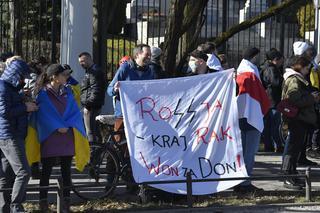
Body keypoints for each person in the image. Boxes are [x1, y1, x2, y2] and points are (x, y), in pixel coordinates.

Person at [27, 64, 90, 212]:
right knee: (46, 171)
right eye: (63, 75)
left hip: (67, 134)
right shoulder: (42, 93)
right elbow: (42, 115)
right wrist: (57, 126)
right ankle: (43, 203)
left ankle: (65, 204)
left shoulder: (67, 91)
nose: (66, 77)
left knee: (66, 171)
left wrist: (67, 125)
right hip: (50, 136)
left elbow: (74, 110)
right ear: (54, 77)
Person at [107, 44, 156, 192]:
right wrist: (115, 89)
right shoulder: (125, 68)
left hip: (142, 116)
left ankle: (132, 186)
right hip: (123, 115)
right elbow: (109, 90)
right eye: (146, 54)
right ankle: (109, 186)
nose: (149, 57)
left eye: (149, 55)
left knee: (138, 151)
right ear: (137, 55)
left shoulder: (151, 70)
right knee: (117, 150)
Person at [0, 58, 38, 213]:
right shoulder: (3, 88)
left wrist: (22, 96)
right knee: (23, 171)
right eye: (22, 77)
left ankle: (4, 208)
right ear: (15, 74)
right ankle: (16, 206)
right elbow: (4, 112)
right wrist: (26, 107)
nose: (24, 80)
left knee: (6, 176)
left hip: (11, 133)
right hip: (10, 135)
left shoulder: (10, 88)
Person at [234, 47, 271, 193]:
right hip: (251, 117)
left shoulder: (238, 72)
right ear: (254, 56)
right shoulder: (251, 75)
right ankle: (244, 184)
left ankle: (239, 181)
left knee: (242, 151)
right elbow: (261, 98)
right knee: (249, 152)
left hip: (239, 116)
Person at [281, 55, 319, 189]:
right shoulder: (294, 80)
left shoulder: (296, 78)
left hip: (299, 118)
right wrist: (311, 98)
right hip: (296, 118)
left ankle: (291, 173)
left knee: (295, 148)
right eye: (307, 67)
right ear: (299, 66)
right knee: (292, 148)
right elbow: (294, 100)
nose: (308, 70)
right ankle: (287, 175)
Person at [292, 41, 319, 165]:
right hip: (303, 102)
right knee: (299, 134)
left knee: (305, 132)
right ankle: (296, 159)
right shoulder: (299, 65)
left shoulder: (308, 63)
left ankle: (302, 156)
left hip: (308, 100)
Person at [78, 52, 106, 144]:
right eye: (80, 62)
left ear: (89, 59)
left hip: (91, 107)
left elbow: (96, 90)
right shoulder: (90, 71)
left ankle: (94, 153)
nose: (81, 64)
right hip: (91, 106)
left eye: (83, 61)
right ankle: (96, 152)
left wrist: (87, 105)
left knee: (91, 132)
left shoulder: (95, 71)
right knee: (93, 131)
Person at [260, 49, 284, 152]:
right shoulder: (271, 69)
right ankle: (276, 145)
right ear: (275, 60)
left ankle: (269, 145)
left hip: (269, 100)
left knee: (268, 124)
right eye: (281, 60)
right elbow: (276, 82)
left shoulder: (265, 67)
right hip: (273, 100)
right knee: (274, 124)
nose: (282, 62)